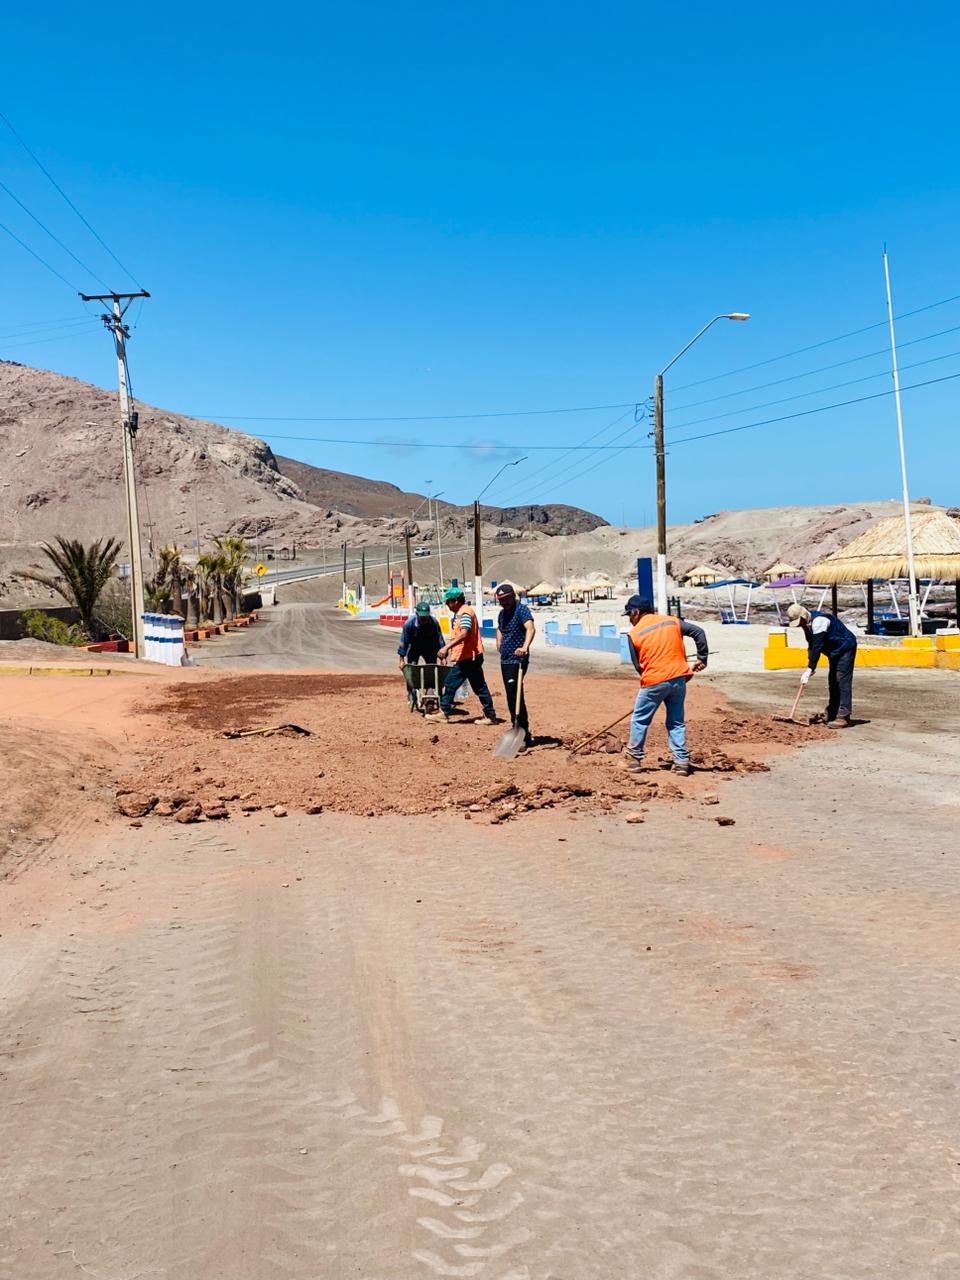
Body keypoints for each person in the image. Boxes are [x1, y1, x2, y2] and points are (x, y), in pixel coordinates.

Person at [622, 596, 709, 776]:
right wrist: (702, 658)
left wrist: (652, 689)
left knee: (640, 720)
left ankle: (633, 760)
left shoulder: (634, 633)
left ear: (636, 613)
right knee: (676, 722)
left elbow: (638, 666)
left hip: (653, 681)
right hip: (678, 679)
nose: (630, 620)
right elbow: (698, 632)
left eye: (629, 615)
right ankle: (681, 763)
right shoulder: (672, 621)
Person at [425, 587, 498, 725]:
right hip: (471, 655)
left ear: (456, 601)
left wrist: (446, 647)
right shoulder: (462, 612)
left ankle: (444, 712)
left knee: (450, 683)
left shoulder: (464, 613)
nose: (447, 605)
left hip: (468, 657)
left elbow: (465, 632)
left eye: (449, 602)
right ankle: (490, 715)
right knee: (479, 686)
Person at [787, 603, 857, 727]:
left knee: (842, 680)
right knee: (832, 681)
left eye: (800, 622)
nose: (800, 625)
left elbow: (817, 646)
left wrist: (810, 668)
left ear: (803, 617)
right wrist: (810, 666)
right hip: (834, 652)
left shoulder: (819, 621)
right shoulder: (807, 625)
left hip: (845, 648)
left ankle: (843, 716)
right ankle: (832, 712)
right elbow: (811, 644)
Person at [494, 582, 536, 749]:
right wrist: (498, 641)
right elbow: (500, 628)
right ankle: (521, 730)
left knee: (515, 694)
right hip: (505, 660)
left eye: (506, 599)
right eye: (501, 600)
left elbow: (530, 629)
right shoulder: (502, 614)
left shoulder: (522, 610)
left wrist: (525, 647)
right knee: (512, 695)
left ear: (513, 596)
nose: (504, 602)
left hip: (518, 660)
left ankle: (521, 731)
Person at [397, 601, 444, 709]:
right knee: (412, 671)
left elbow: (439, 640)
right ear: (417, 614)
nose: (424, 619)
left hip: (429, 648)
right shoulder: (409, 623)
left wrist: (443, 658)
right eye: (422, 617)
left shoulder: (434, 622)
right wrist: (401, 659)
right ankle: (411, 696)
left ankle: (430, 695)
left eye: (426, 616)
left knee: (432, 670)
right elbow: (404, 642)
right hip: (414, 648)